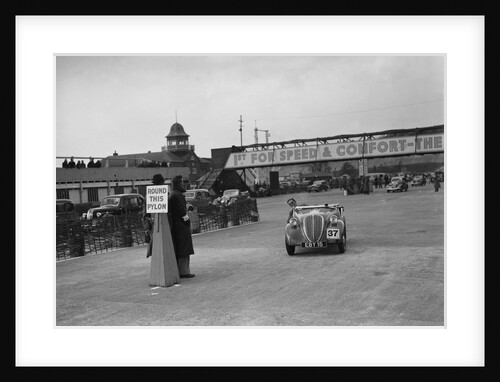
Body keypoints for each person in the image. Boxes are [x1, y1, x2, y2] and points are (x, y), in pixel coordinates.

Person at [168, 175, 195, 278]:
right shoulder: (178, 195)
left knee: (179, 247)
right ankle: (184, 271)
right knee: (184, 247)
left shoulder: (172, 194)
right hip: (181, 225)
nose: (184, 184)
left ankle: (181, 270)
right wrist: (187, 219)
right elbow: (180, 210)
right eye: (183, 182)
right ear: (179, 183)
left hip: (175, 224)